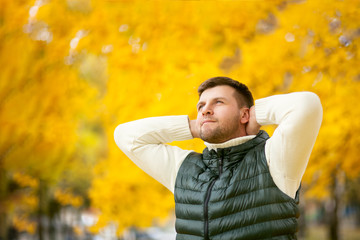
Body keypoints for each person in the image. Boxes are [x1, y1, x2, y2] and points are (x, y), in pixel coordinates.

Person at [114, 76, 323, 240]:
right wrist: (194, 126)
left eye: (218, 102)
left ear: (244, 115)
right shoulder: (183, 169)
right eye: (201, 106)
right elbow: (126, 136)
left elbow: (307, 105)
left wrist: (255, 115)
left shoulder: (274, 159)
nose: (205, 110)